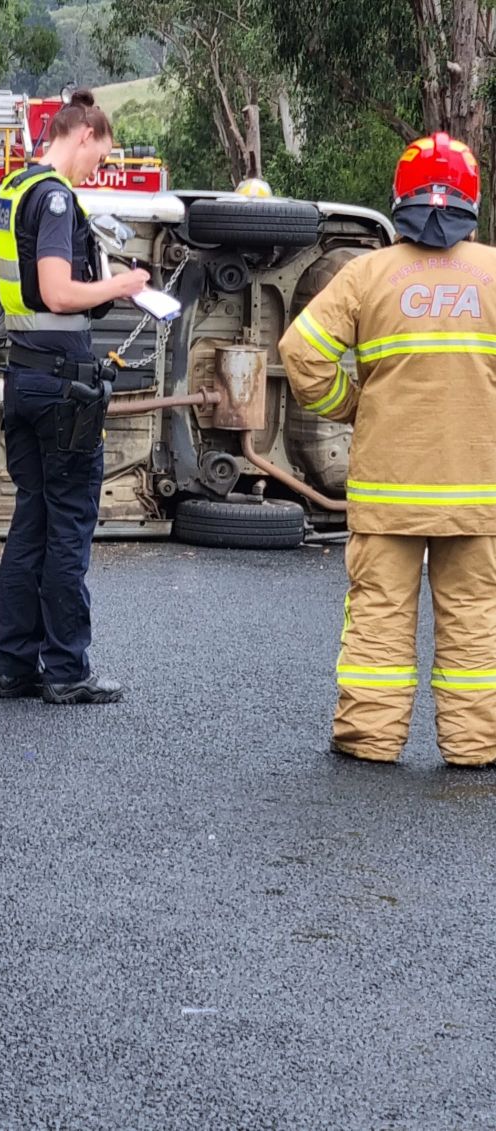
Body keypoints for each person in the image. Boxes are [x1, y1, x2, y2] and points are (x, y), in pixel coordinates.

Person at [279, 132, 496, 766]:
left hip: (387, 490)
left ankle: (369, 739)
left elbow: (300, 353)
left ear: (401, 200)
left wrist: (354, 405)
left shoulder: (367, 274)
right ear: (471, 201)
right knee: (475, 618)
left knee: (378, 617)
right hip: (478, 492)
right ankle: (476, 744)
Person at [0, 88, 151, 705]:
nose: (96, 170)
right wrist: (122, 284)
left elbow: (33, 292)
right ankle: (65, 670)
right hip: (62, 385)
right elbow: (56, 292)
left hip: (23, 374)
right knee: (68, 526)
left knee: (31, 523)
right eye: (99, 157)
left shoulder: (13, 188)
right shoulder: (56, 197)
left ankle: (13, 668)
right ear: (83, 135)